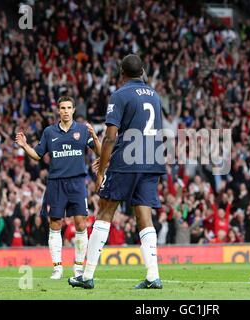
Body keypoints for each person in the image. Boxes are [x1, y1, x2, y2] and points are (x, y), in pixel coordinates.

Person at [68, 54, 166, 290]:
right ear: (143, 71)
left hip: (128, 160)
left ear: (121, 73)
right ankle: (153, 276)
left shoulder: (120, 95)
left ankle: (87, 275)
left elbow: (111, 136)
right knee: (144, 215)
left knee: (105, 211)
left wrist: (102, 169)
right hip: (152, 158)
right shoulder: (154, 95)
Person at [15, 96, 101, 280]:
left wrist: (94, 135)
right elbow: (37, 155)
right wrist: (24, 146)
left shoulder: (82, 130)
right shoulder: (49, 132)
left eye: (69, 107)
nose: (66, 111)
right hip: (56, 183)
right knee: (55, 224)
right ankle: (57, 268)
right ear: (58, 110)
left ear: (74, 109)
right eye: (62, 108)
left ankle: (78, 267)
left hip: (77, 183)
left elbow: (100, 152)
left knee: (80, 223)